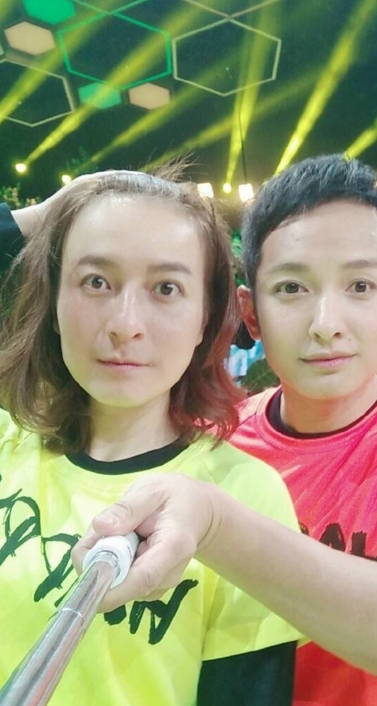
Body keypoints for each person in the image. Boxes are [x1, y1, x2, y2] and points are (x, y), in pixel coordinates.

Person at [5, 155, 377, 706]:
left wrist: (216, 523)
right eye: (291, 288)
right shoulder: (211, 444)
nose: (326, 324)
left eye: (360, 285)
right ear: (249, 313)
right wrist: (40, 219)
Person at [0, 169, 301, 706]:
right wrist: (37, 218)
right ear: (53, 301)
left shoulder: (245, 498)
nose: (125, 324)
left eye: (166, 288)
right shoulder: (6, 444)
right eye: (96, 281)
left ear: (206, 318)